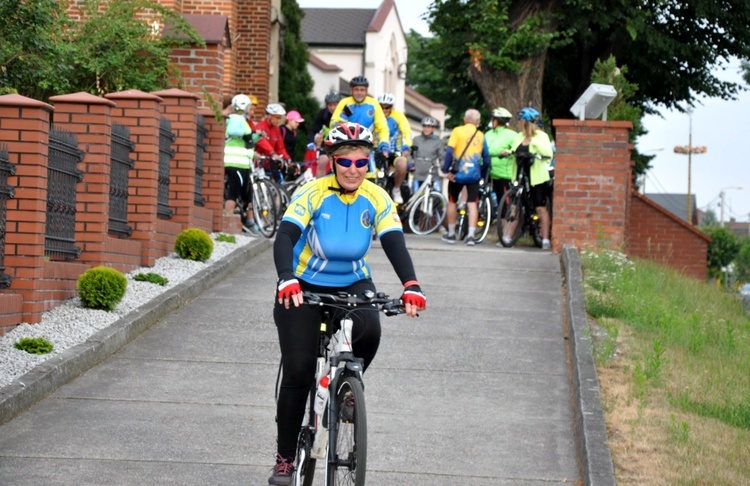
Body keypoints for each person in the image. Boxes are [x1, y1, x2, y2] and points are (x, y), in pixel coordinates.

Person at [269, 122, 427, 484]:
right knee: (298, 369)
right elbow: (285, 236)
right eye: (345, 162)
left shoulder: (377, 197)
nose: (353, 169)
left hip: (353, 283)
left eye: (361, 162)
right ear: (331, 161)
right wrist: (286, 277)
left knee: (370, 328)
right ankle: (284, 458)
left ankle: (347, 389)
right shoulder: (312, 192)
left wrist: (411, 284)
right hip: (303, 284)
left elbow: (393, 241)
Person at [504, 107, 554, 250]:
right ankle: (507, 236)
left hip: (536, 177)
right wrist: (506, 152)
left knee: (540, 208)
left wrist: (533, 143)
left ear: (526, 122)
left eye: (521, 120)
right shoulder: (519, 136)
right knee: (515, 205)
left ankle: (545, 239)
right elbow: (514, 149)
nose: (519, 122)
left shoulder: (541, 136)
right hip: (520, 173)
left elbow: (547, 152)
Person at [440, 108, 490, 246]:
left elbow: (449, 151)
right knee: (472, 203)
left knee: (452, 201)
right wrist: (482, 172)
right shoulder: (480, 135)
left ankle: (451, 234)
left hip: (457, 173)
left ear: (465, 119)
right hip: (473, 174)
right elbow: (486, 158)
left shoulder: (457, 131)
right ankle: (471, 236)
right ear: (478, 122)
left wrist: (446, 170)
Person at [223, 94, 266, 234]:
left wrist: (256, 136)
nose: (249, 109)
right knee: (233, 193)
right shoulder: (236, 118)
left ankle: (247, 221)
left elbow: (245, 138)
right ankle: (225, 223)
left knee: (245, 194)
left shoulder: (241, 119)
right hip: (234, 162)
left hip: (242, 163)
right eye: (248, 106)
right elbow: (234, 131)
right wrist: (251, 133)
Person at [330, 76, 390, 157]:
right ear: (351, 90)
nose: (359, 93)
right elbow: (333, 124)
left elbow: (382, 127)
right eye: (356, 89)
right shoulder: (344, 102)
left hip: (368, 145)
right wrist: (343, 117)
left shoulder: (373, 104)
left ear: (366, 91)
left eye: (362, 90)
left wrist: (384, 143)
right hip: (348, 145)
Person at [484, 107, 518, 245]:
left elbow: (516, 148)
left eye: (494, 119)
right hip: (489, 172)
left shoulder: (511, 134)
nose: (492, 121)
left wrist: (508, 151)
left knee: (505, 205)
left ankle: (505, 234)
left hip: (504, 174)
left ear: (498, 120)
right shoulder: (488, 133)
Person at [376, 92, 412, 203]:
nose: (384, 110)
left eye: (388, 107)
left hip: (394, 151)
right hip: (377, 151)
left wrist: (406, 147)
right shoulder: (375, 116)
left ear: (392, 107)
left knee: (402, 164)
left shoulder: (398, 116)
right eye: (382, 107)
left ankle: (396, 189)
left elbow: (407, 132)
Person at [306, 91, 341, 178]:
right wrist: (310, 142)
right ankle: (319, 188)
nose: (332, 108)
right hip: (328, 143)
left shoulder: (346, 113)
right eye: (330, 105)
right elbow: (313, 129)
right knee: (321, 162)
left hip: (342, 143)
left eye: (335, 105)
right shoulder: (323, 114)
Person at [255, 103, 291, 183]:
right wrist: (272, 152)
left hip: (270, 163)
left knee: (278, 183)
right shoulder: (260, 126)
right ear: (269, 116)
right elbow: (261, 140)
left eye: (280, 118)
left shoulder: (276, 129)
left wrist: (287, 158)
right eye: (277, 117)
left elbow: (280, 147)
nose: (279, 120)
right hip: (258, 163)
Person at [410, 116, 445, 192]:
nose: (426, 129)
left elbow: (442, 157)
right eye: (425, 126)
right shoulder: (416, 140)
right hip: (418, 172)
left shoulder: (438, 142)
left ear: (433, 128)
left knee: (436, 194)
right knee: (415, 194)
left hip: (432, 173)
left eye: (429, 127)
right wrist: (410, 164)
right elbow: (411, 154)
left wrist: (443, 167)